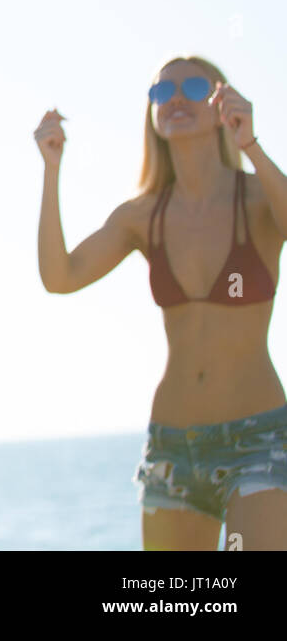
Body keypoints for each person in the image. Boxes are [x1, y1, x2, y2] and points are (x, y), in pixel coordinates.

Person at [35, 55, 287, 550]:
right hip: (172, 449)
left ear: (222, 104)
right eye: (160, 91)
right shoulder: (141, 215)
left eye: (193, 87)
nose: (174, 97)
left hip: (258, 442)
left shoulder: (256, 198)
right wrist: (51, 169)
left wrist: (251, 146)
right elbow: (59, 277)